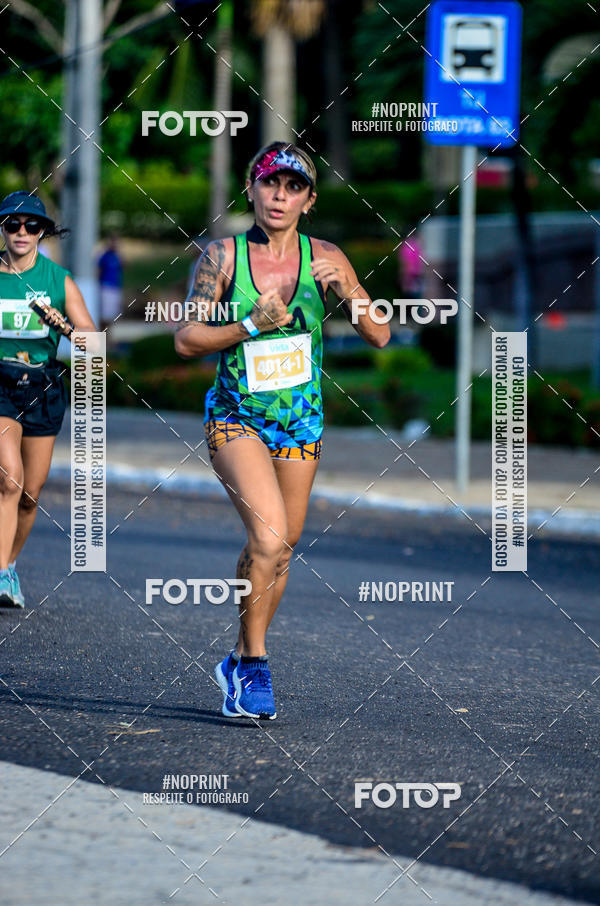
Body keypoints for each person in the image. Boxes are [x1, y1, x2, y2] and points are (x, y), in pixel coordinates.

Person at [175, 142, 390, 720]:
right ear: (251, 188)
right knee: (268, 538)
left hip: (300, 423)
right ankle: (253, 664)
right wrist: (249, 324)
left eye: (293, 187)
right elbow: (187, 340)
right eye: (270, 183)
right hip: (235, 418)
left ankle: (238, 658)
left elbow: (381, 334)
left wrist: (347, 293)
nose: (280, 195)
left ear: (308, 200)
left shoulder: (328, 257)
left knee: (280, 547)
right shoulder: (223, 257)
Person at [0, 191, 96, 608]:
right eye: (12, 225)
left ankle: (10, 566)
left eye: (32, 225)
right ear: (2, 229)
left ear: (43, 232)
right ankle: (0, 574)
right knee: (9, 475)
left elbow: (96, 351)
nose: (22, 232)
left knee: (30, 494)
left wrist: (68, 330)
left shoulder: (59, 281)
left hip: (41, 388)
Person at [97, 235, 123, 329]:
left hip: (115, 287)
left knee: (112, 316)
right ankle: (104, 337)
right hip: (106, 287)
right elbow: (98, 271)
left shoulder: (117, 256)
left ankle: (108, 338)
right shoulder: (104, 256)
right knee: (104, 316)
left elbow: (125, 265)